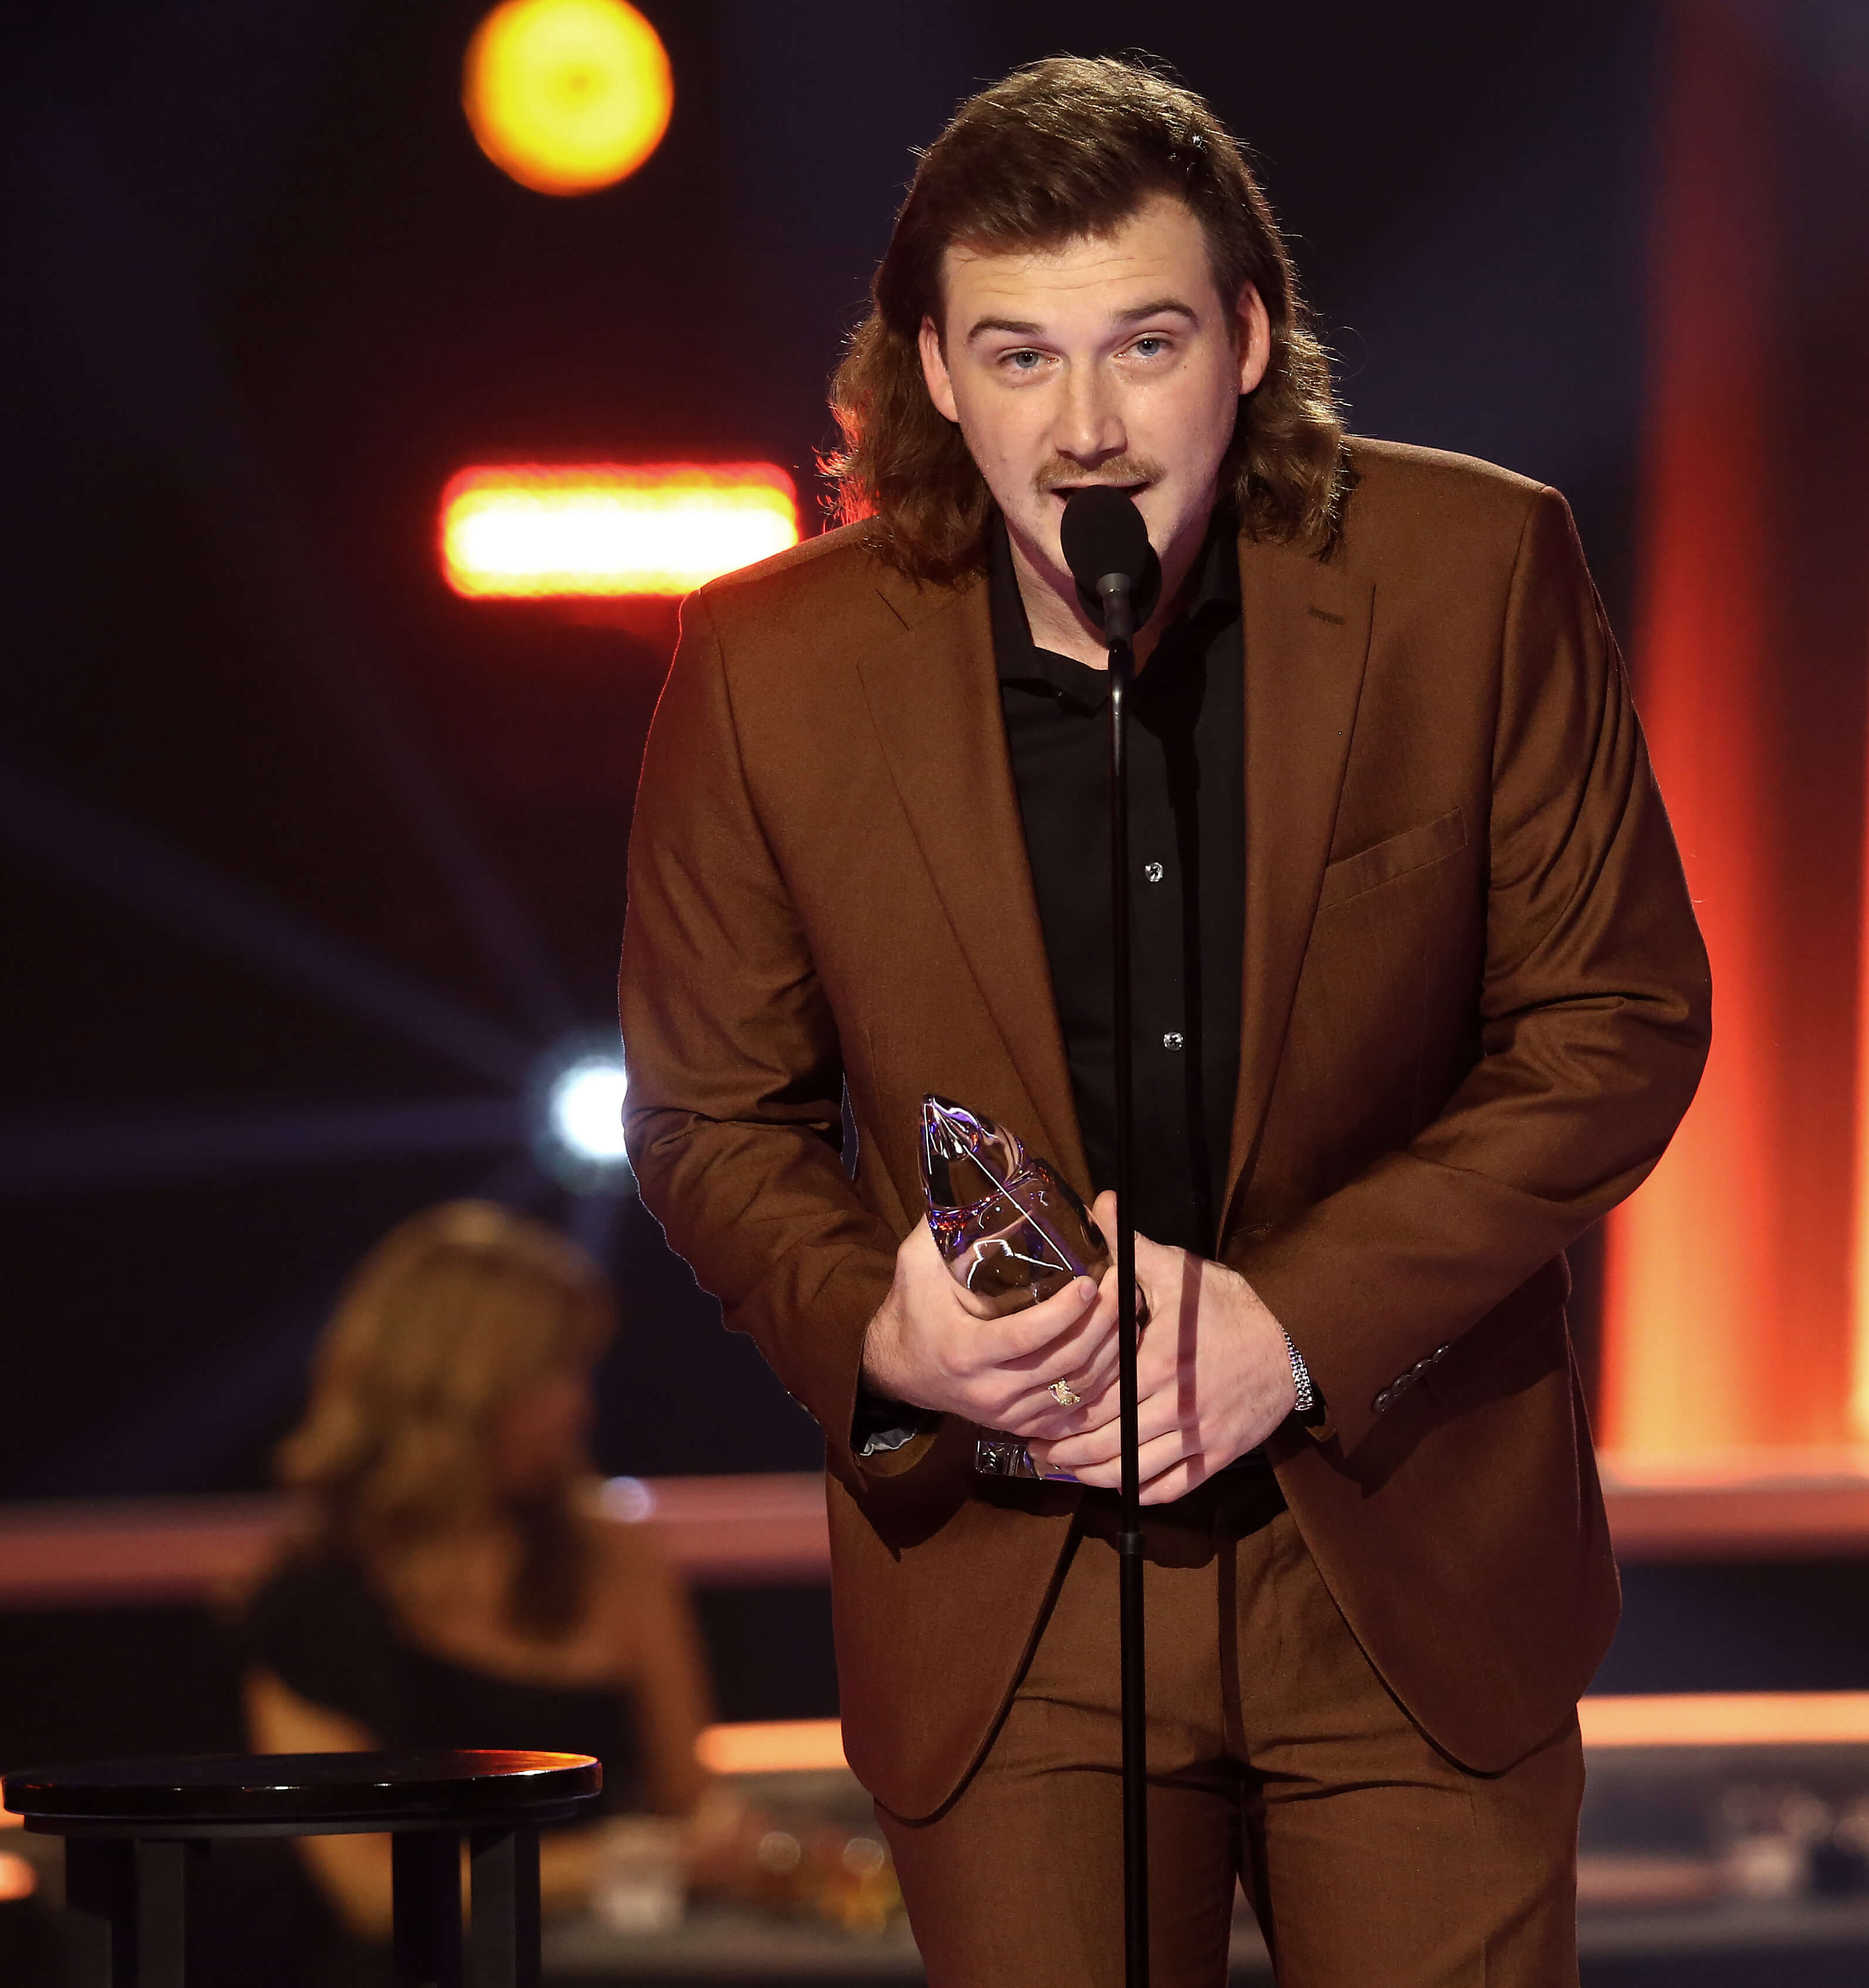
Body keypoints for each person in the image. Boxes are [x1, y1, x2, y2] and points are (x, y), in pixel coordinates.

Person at [619, 52, 1709, 1988]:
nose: (1090, 424)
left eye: (1144, 343)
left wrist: (1288, 1326)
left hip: (1399, 1548)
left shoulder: (1466, 572)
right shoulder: (767, 665)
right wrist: (882, 1334)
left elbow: (1613, 1015)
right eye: (1019, 357)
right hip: (1003, 1572)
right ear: (935, 374)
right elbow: (714, 1117)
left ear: (1251, 338)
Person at [238, 1201, 760, 1938]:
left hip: (622, 1960)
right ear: (459, 1389)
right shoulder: (308, 1607)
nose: (579, 1406)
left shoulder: (616, 1556)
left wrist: (757, 1849)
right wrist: (625, 1858)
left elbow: (689, 1799)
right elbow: (372, 1894)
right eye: (554, 1373)